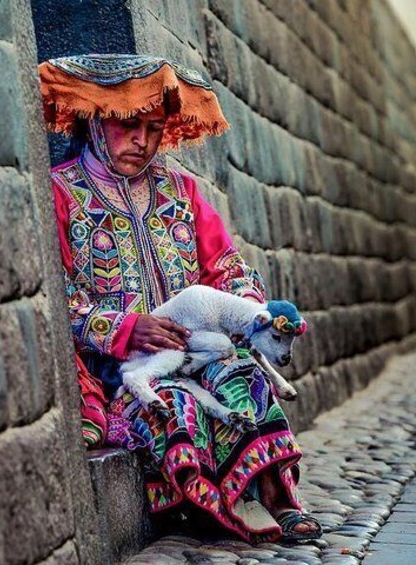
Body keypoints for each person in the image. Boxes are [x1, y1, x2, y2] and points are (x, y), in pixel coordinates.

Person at [39, 54, 322, 542]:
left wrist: (253, 315)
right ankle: (219, 505)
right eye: (127, 125)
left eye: (152, 128)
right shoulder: (61, 193)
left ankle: (280, 501)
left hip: (201, 346)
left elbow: (227, 268)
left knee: (244, 376)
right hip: (121, 370)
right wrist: (128, 329)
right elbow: (56, 296)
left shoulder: (181, 191)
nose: (141, 141)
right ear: (94, 120)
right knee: (172, 404)